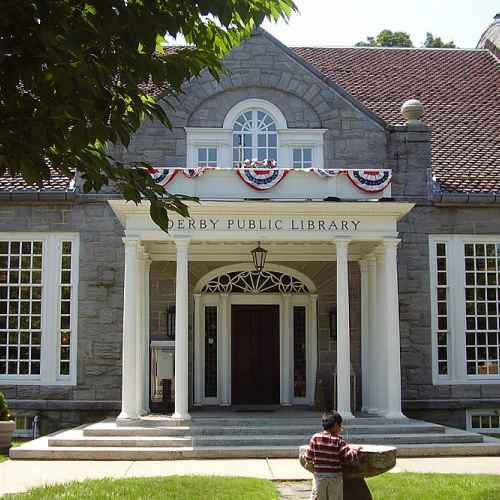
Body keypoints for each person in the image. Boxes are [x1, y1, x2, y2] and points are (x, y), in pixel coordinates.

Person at [304, 411, 361, 500]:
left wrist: (308, 461)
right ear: (335, 425)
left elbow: (309, 455)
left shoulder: (315, 438)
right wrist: (355, 450)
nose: (341, 428)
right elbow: (348, 456)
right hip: (334, 478)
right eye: (340, 425)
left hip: (319, 478)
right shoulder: (338, 440)